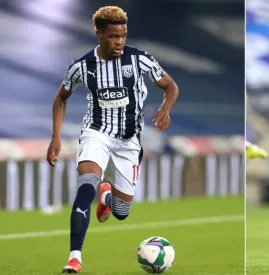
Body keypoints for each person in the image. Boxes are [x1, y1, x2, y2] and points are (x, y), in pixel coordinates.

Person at [45, 6, 179, 273]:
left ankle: (107, 198)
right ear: (99, 34)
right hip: (96, 133)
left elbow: (170, 86)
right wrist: (56, 136)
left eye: (123, 36)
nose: (119, 42)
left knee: (121, 212)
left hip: (129, 142)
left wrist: (165, 108)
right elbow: (61, 97)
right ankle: (75, 258)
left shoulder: (139, 60)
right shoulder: (82, 66)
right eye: (113, 36)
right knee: (86, 188)